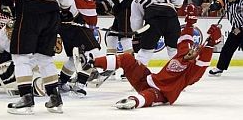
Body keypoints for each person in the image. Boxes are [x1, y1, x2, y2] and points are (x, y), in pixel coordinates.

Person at [77, 10, 222, 109]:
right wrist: (190, 23)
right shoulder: (182, 52)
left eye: (197, 52)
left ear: (197, 57)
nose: (193, 50)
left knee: (149, 96)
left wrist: (210, 45)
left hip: (163, 94)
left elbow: (202, 65)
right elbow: (185, 38)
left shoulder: (191, 72)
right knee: (127, 58)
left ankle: (132, 102)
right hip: (147, 79)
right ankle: (90, 63)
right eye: (194, 48)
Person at [130, 0, 184, 66]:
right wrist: (175, 6)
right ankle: (180, 72)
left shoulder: (136, 0)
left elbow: (136, 23)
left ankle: (138, 73)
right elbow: (180, 0)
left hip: (152, 19)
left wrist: (138, 33)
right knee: (173, 48)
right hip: (171, 16)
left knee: (145, 51)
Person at [208, 0, 243, 76]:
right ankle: (220, 68)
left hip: (241, 29)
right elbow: (218, 3)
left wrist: (241, 28)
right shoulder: (226, 0)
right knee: (227, 49)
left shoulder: (242, 3)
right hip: (235, 30)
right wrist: (214, 6)